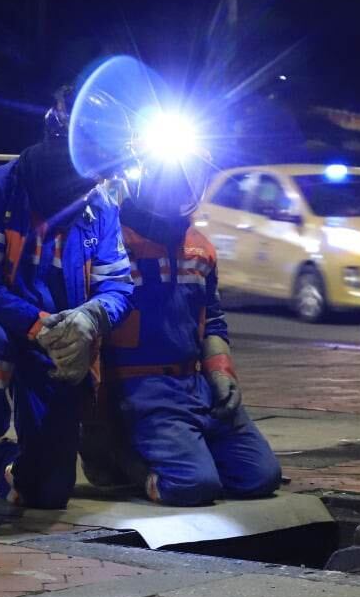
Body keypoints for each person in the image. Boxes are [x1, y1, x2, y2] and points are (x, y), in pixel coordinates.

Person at [0, 96, 134, 527]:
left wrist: (91, 317)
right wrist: (41, 326)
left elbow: (117, 287)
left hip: (52, 336)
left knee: (47, 493)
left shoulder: (99, 208)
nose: (100, 179)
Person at [87, 140, 283, 506]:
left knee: (260, 476)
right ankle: (124, 460)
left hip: (195, 385)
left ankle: (188, 453)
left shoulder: (200, 248)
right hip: (140, 391)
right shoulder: (111, 242)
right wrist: (97, 410)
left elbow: (213, 323)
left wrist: (222, 376)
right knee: (193, 485)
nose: (176, 183)